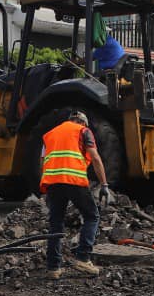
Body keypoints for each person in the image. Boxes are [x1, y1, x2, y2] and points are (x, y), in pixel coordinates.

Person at [40, 110, 108, 280]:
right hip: (74, 179)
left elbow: (43, 161)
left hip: (53, 182)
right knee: (92, 216)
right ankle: (83, 258)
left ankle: (53, 268)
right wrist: (104, 184)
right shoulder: (83, 131)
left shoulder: (50, 134)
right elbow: (96, 158)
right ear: (83, 123)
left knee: (56, 223)